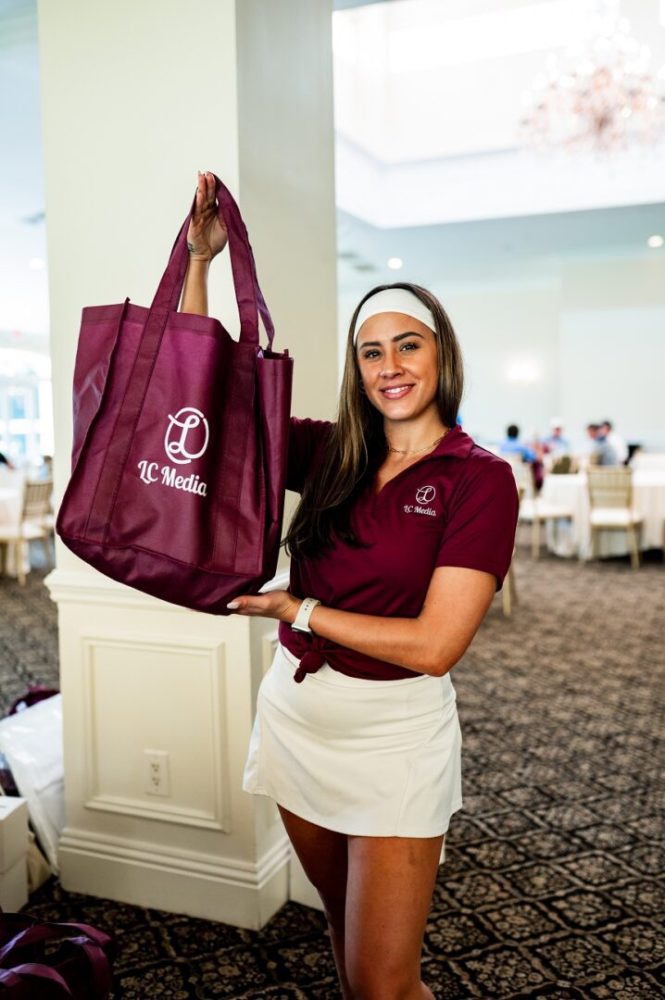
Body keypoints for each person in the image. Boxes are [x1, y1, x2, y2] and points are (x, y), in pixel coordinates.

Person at [181, 172, 519, 1000]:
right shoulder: (332, 449)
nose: (389, 365)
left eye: (408, 344)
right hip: (297, 719)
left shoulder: (480, 479)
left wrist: (299, 607)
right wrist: (200, 265)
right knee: (342, 927)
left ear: (441, 353)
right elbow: (208, 394)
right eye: (371, 350)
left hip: (393, 740)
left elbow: (437, 647)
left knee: (381, 980)